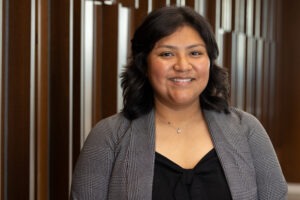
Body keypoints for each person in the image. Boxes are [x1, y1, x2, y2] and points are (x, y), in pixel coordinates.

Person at [71, 6, 287, 200]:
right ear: (144, 64)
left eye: (195, 53)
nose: (183, 66)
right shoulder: (109, 136)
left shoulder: (247, 130)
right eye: (167, 54)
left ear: (209, 62)